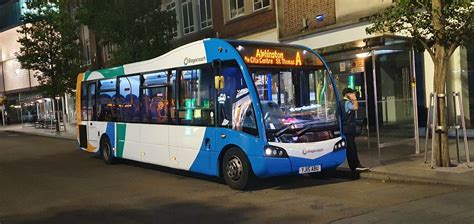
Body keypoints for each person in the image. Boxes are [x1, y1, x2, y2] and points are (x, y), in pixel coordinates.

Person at [341, 87, 369, 172]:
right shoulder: (347, 103)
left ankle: (354, 165)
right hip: (349, 129)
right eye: (352, 93)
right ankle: (355, 165)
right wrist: (355, 99)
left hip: (345, 128)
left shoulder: (341, 103)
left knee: (350, 147)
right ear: (347, 94)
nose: (354, 95)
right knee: (351, 148)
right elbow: (355, 107)